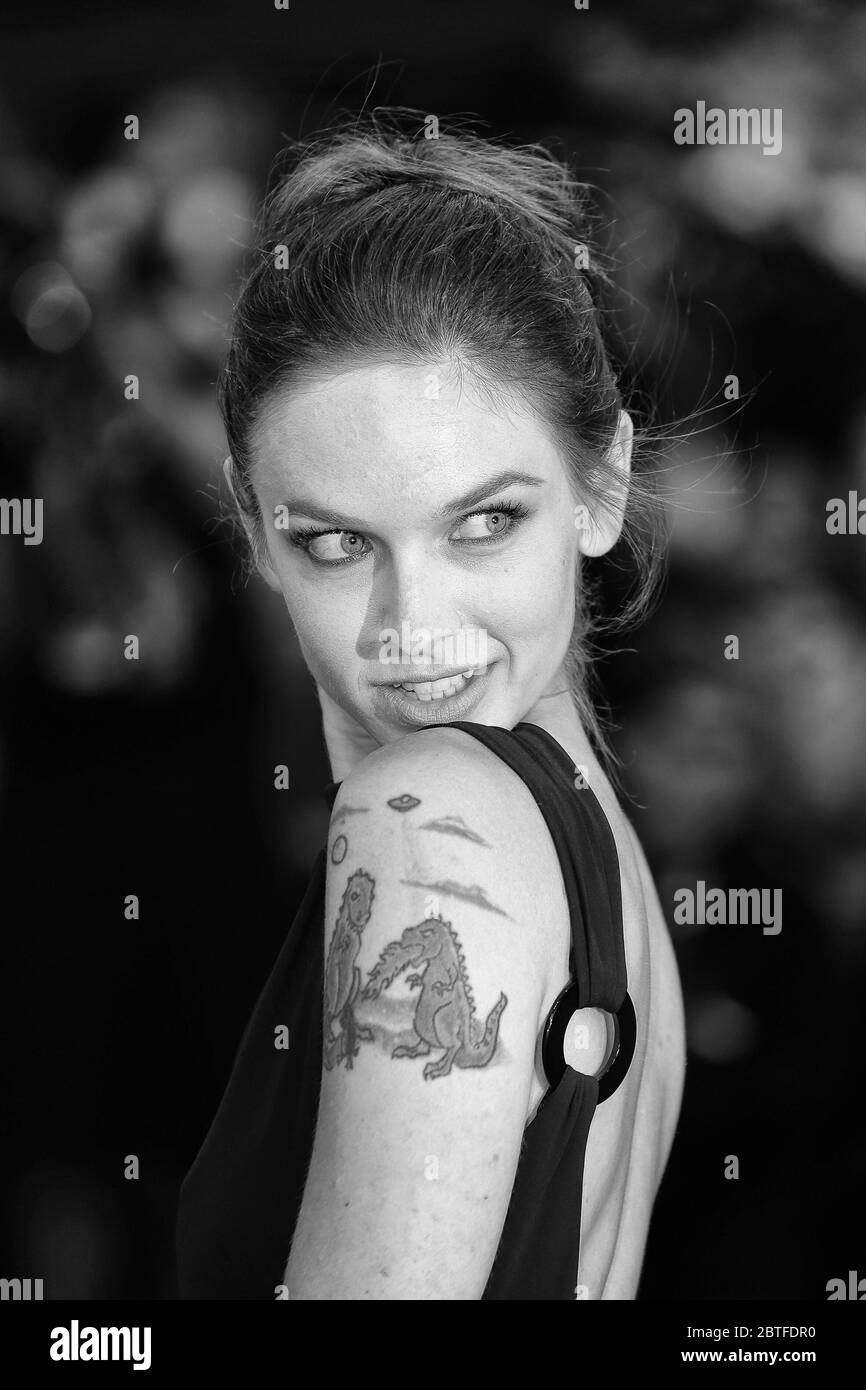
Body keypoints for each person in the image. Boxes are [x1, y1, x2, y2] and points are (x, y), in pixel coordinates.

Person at [176, 111, 686, 1300]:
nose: (411, 620)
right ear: (255, 529)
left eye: (482, 522)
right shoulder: (591, 844)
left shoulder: (429, 815)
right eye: (337, 542)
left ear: (601, 485)